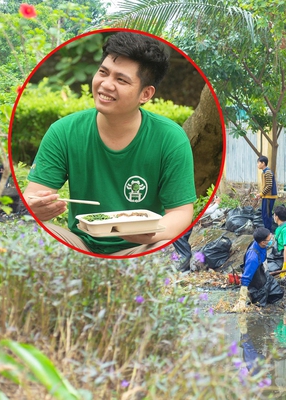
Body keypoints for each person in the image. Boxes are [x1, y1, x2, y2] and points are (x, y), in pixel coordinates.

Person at [23, 31, 196, 256]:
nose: (106, 84)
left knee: (168, 251)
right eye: (103, 72)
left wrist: (153, 233)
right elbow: (33, 195)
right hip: (79, 243)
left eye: (121, 80)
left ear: (145, 93)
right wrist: (36, 207)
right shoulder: (64, 132)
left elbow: (181, 212)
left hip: (141, 246)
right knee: (29, 233)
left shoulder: (170, 138)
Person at [233, 227, 284, 312]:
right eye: (269, 239)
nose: (271, 240)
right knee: (259, 308)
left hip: (265, 276)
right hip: (257, 285)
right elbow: (246, 277)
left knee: (278, 294)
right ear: (263, 242)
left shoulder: (261, 244)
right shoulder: (253, 258)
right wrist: (242, 298)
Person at [265, 204, 286, 277]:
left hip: (279, 260)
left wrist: (284, 268)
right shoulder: (279, 228)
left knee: (262, 272)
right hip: (274, 257)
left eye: (274, 215)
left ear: (277, 217)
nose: (273, 217)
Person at [255, 156, 277, 231]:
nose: (257, 165)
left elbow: (269, 186)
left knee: (266, 214)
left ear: (263, 163)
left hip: (269, 197)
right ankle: (267, 230)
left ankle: (268, 231)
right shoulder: (264, 172)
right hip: (266, 196)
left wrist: (261, 194)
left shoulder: (267, 172)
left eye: (258, 163)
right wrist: (261, 194)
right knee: (265, 214)